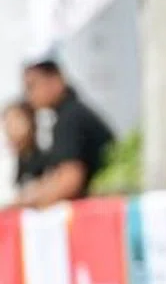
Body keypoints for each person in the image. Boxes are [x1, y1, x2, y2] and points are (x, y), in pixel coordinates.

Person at [17, 60, 114, 207]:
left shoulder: (70, 117)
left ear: (55, 80)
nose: (29, 96)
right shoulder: (68, 114)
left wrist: (29, 205)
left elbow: (70, 180)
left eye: (32, 86)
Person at [5, 99, 46, 197]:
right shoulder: (10, 160)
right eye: (7, 123)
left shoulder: (46, 158)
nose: (11, 129)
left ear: (31, 121)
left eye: (16, 121)